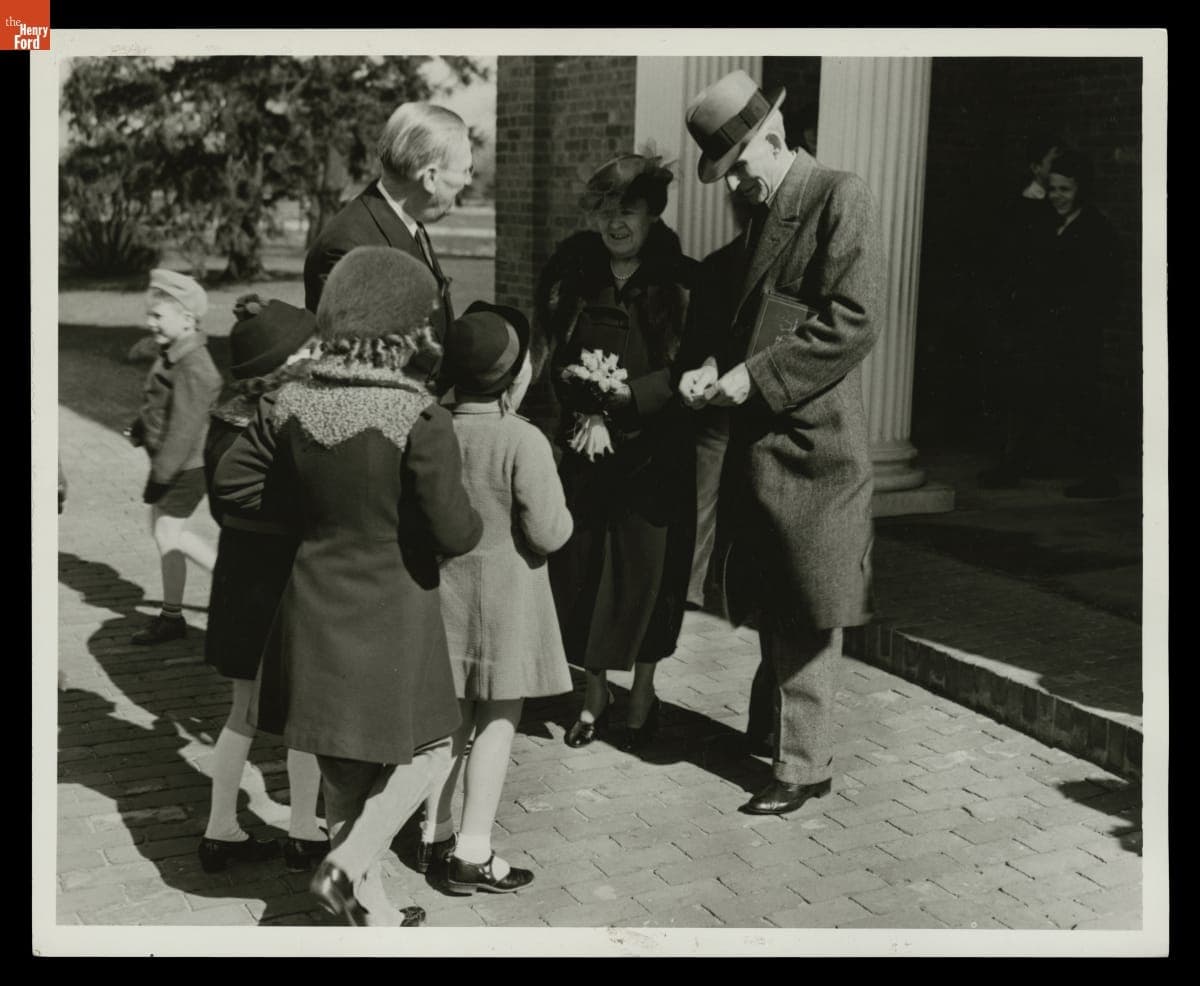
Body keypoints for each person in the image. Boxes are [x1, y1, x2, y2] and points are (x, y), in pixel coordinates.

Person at [215, 247, 483, 928]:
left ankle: (368, 909)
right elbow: (454, 532)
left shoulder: (291, 406)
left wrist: (304, 522)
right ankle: (348, 863)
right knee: (430, 749)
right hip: (393, 613)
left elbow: (232, 485)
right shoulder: (420, 419)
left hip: (312, 608)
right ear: (403, 331)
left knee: (343, 768)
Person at [677, 70, 883, 816]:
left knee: (807, 605)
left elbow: (852, 321)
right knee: (775, 598)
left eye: (740, 168)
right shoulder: (761, 213)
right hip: (767, 446)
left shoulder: (839, 194)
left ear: (773, 137)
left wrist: (752, 381)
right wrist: (712, 366)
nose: (736, 185)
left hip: (818, 451)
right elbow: (747, 320)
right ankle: (773, 736)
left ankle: (803, 767)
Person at [540, 151, 698, 753]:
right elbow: (557, 356)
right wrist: (585, 413)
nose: (616, 223)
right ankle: (595, 693)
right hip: (588, 452)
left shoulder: (681, 283)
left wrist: (625, 403)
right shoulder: (576, 278)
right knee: (587, 572)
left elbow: (686, 370)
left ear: (653, 213)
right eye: (606, 210)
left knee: (647, 575)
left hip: (655, 457)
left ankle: (644, 692)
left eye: (628, 210)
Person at [418, 302, 574, 894]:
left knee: (449, 722)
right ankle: (474, 849)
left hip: (444, 601)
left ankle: (434, 833)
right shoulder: (521, 439)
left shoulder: (431, 428)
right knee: (500, 719)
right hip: (507, 604)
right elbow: (549, 532)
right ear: (512, 377)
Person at [197, 296, 327, 875]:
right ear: (289, 363)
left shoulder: (226, 422)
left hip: (239, 580)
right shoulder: (284, 425)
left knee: (242, 712)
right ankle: (303, 828)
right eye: (312, 347)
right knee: (303, 709)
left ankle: (221, 829)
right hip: (281, 582)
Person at [303, 101, 473, 346]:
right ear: (430, 178)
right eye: (465, 169)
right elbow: (362, 365)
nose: (467, 180)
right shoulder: (348, 247)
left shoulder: (406, 221)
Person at [127, 269, 222, 645]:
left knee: (169, 533)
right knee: (164, 533)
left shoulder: (196, 366)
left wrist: (160, 477)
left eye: (158, 317)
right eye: (150, 316)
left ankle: (235, 581)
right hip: (173, 464)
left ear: (186, 319)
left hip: (186, 466)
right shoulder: (176, 354)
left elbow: (184, 430)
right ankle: (171, 615)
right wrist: (140, 428)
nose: (151, 324)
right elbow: (161, 407)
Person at [1037, 149, 1126, 499]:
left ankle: (1100, 475)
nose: (1057, 196)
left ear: (1082, 190)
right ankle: (1061, 461)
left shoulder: (1096, 230)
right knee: (1059, 395)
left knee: (1083, 396)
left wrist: (1079, 317)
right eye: (1053, 188)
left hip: (1079, 329)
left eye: (1065, 190)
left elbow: (1106, 285)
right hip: (1052, 327)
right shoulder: (1053, 225)